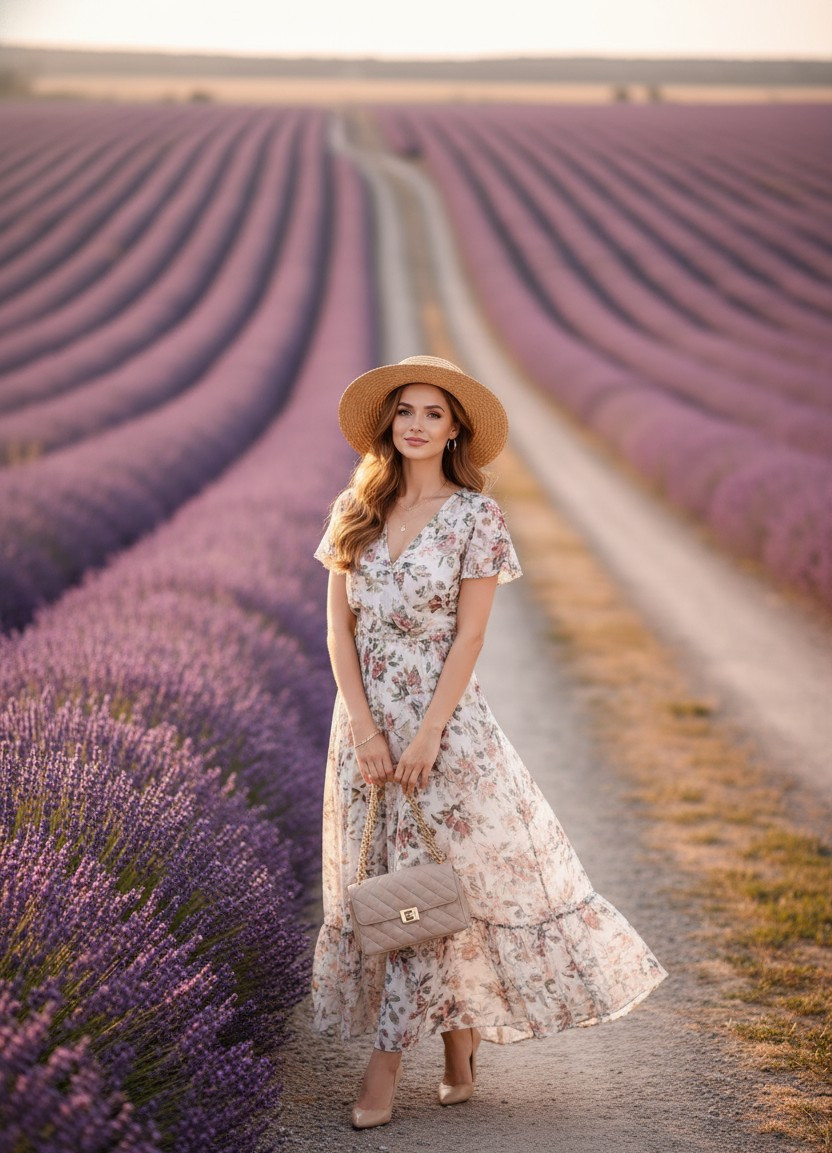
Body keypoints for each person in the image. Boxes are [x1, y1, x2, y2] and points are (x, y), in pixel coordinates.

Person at [312, 355, 668, 1130]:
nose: (415, 424)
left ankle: (384, 1067)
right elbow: (339, 629)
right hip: (363, 732)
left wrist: (427, 734)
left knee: (440, 882)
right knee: (394, 888)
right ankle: (459, 1040)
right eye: (405, 410)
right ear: (387, 422)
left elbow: (470, 637)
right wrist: (367, 729)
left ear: (455, 431)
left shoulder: (476, 516)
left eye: (433, 413)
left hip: (444, 730)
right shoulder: (354, 509)